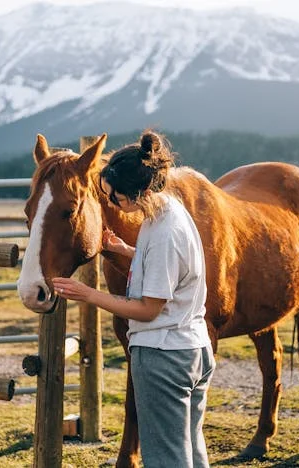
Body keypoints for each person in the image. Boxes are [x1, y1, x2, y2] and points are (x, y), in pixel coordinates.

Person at [53, 131, 215, 468]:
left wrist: (89, 294)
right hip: (192, 348)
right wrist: (125, 250)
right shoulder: (171, 211)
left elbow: (148, 309)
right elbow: (168, 269)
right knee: (191, 449)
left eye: (113, 196)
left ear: (133, 194)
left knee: (165, 458)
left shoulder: (162, 233)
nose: (110, 203)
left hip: (164, 357)